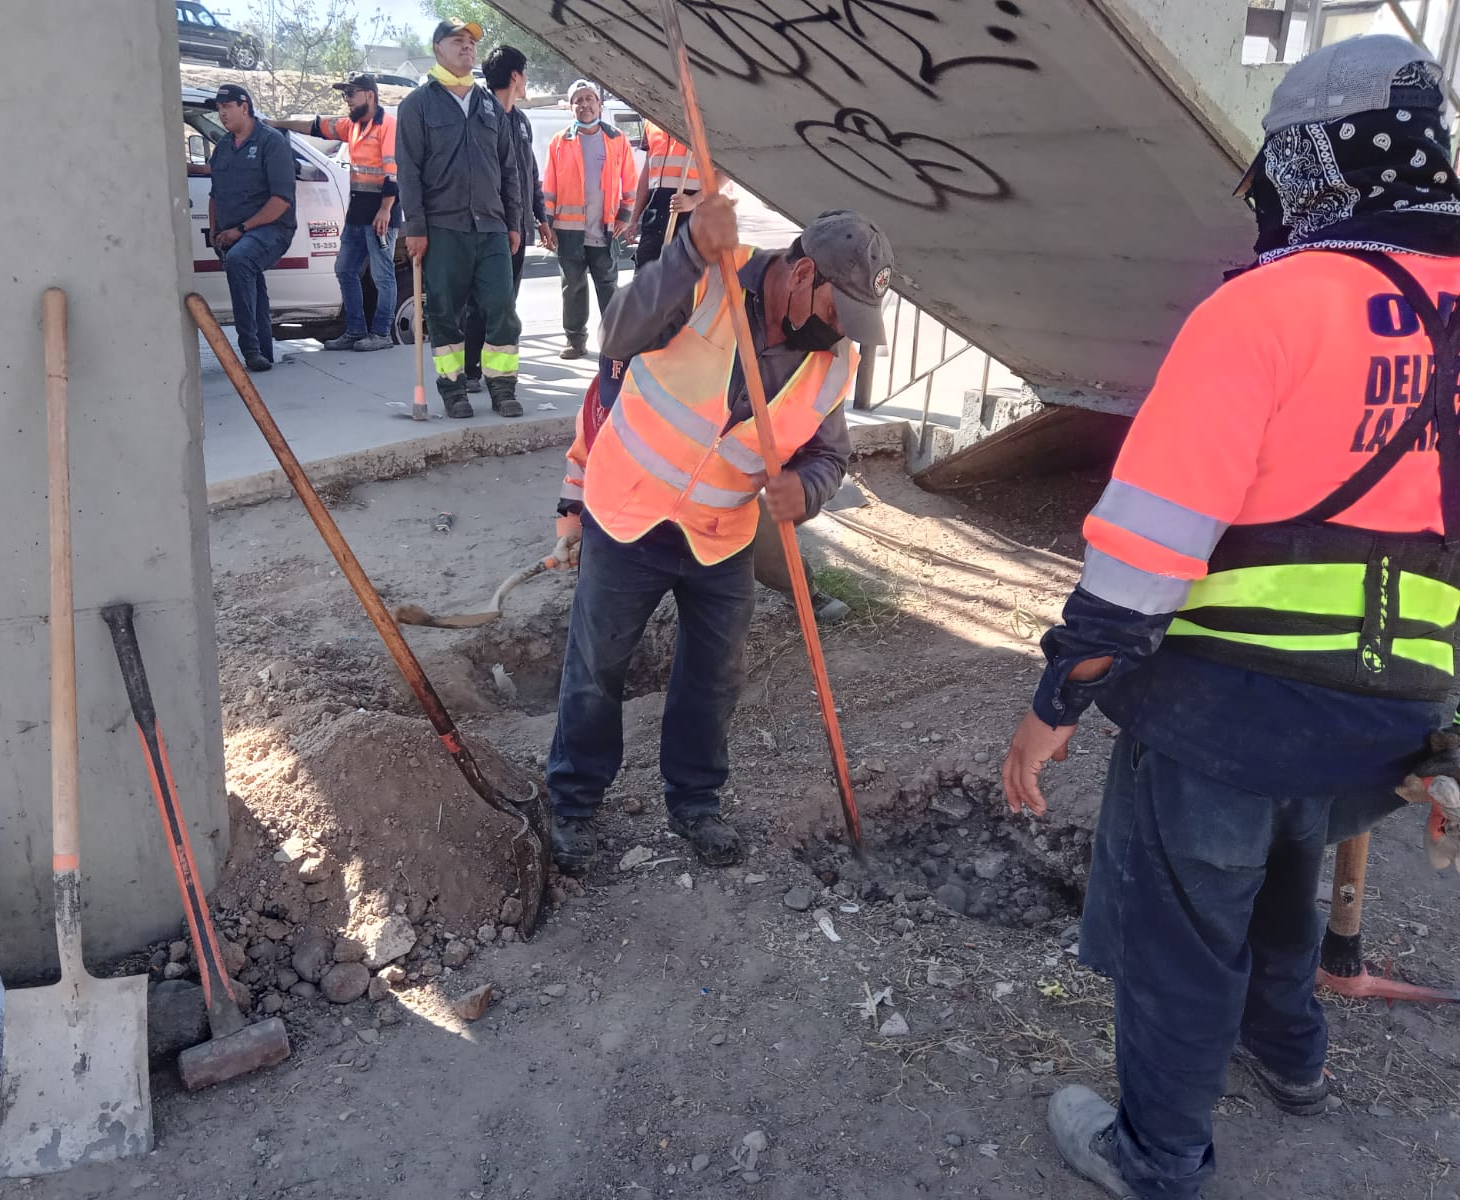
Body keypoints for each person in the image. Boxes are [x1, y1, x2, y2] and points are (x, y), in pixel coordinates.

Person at [998, 35, 1460, 1200]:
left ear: (1309, 164)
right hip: (1383, 719)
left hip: (1218, 713)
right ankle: (1292, 1060)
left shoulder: (1267, 307)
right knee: (1285, 883)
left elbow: (1148, 549)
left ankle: (1155, 1153)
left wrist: (1058, 698)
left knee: (1184, 930)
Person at [545, 196, 893, 872]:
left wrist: (808, 491)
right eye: (835, 310)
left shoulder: (834, 361)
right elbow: (616, 335)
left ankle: (696, 802)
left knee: (713, 677)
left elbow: (829, 456)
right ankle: (574, 803)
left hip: (720, 533)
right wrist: (684, 254)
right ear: (801, 276)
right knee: (597, 668)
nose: (839, 332)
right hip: (630, 515)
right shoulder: (708, 279)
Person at [395, 18, 524, 418]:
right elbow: (408, 171)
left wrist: (515, 221)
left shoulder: (489, 104)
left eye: (471, 43)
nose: (467, 47)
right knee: (444, 313)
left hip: (491, 227)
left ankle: (502, 387)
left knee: (501, 306)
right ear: (437, 49)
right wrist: (414, 227)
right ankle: (453, 392)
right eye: (458, 41)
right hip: (443, 228)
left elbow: (509, 169)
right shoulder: (417, 105)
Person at [268, 74, 400, 352]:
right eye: (345, 95)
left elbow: (393, 173)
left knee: (382, 275)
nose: (347, 100)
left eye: (351, 94)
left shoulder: (387, 125)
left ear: (369, 95)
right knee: (345, 269)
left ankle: (381, 334)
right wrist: (276, 124)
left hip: (380, 213)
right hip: (357, 213)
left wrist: (386, 210)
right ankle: (355, 331)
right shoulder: (352, 126)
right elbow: (316, 126)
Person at [462, 46, 551, 394]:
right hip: (488, 227)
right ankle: (470, 372)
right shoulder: (480, 116)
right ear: (515, 76)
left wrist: (540, 217)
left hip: (518, 229)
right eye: (525, 73)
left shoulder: (521, 121)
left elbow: (529, 173)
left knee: (506, 304)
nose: (527, 80)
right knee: (481, 303)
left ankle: (497, 374)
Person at [542, 80, 637, 360]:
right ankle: (575, 341)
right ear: (571, 108)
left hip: (606, 228)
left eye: (589, 99)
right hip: (568, 230)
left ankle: (614, 342)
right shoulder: (559, 142)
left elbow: (629, 181)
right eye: (578, 100)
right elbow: (549, 187)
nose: (584, 105)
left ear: (599, 104)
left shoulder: (617, 139)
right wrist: (546, 223)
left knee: (608, 286)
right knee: (573, 287)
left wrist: (625, 214)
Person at [207, 82, 297, 373]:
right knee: (249, 275)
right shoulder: (222, 148)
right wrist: (215, 230)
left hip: (272, 229)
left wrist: (242, 230)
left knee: (241, 259)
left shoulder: (271, 142)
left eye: (226, 108)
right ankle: (264, 353)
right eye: (219, 109)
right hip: (236, 232)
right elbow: (214, 195)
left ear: (244, 107)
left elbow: (281, 201)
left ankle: (249, 349)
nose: (221, 114)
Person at [632, 119, 702, 268]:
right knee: (645, 272)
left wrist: (694, 200)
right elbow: (647, 172)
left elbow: (726, 173)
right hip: (655, 213)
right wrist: (634, 218)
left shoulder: (700, 121)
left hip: (690, 216)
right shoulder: (651, 122)